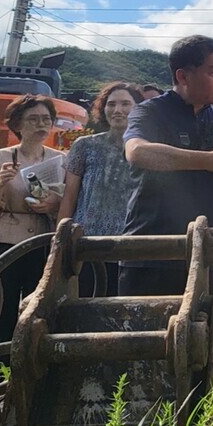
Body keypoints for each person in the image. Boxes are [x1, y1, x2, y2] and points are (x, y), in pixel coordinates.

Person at [120, 35, 213, 296]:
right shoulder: (151, 111)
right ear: (184, 76)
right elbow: (137, 152)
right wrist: (208, 161)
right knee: (149, 334)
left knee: (210, 333)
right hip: (152, 251)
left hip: (207, 251)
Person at [0, 95, 64, 341]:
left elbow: (69, 204)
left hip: (44, 242)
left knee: (38, 310)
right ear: (17, 124)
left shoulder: (61, 160)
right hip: (4, 242)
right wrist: (0, 184)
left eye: (46, 119)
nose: (41, 125)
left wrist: (54, 203)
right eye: (33, 119)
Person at [57, 81, 144, 297]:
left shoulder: (146, 149)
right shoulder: (85, 146)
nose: (117, 110)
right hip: (85, 245)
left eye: (126, 104)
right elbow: (69, 197)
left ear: (138, 108)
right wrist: (59, 239)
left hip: (130, 245)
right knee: (82, 306)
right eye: (111, 104)